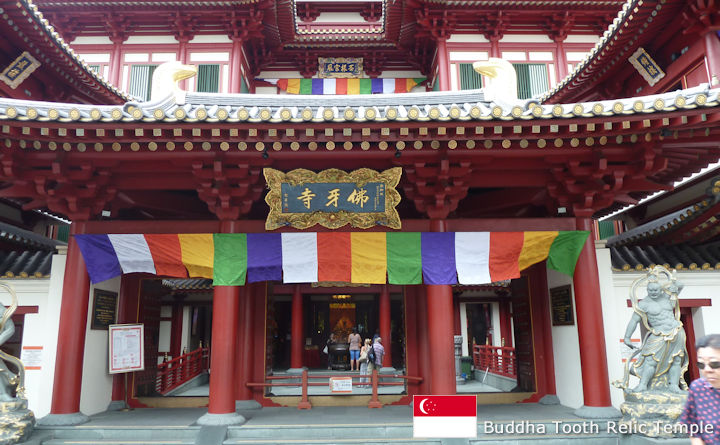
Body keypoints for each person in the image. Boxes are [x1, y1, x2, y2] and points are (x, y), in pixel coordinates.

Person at [621, 278, 687, 393]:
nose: (653, 292)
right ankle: (643, 384)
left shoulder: (667, 297)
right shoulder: (644, 304)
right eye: (650, 290)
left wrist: (674, 281)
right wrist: (627, 337)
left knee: (676, 360)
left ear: (661, 289)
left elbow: (680, 286)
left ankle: (674, 385)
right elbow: (634, 320)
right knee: (650, 360)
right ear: (647, 290)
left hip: (676, 331)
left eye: (656, 290)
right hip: (658, 333)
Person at [680, 334, 720, 445]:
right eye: (701, 364)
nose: (707, 370)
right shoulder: (698, 389)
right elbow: (693, 427)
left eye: (714, 363)